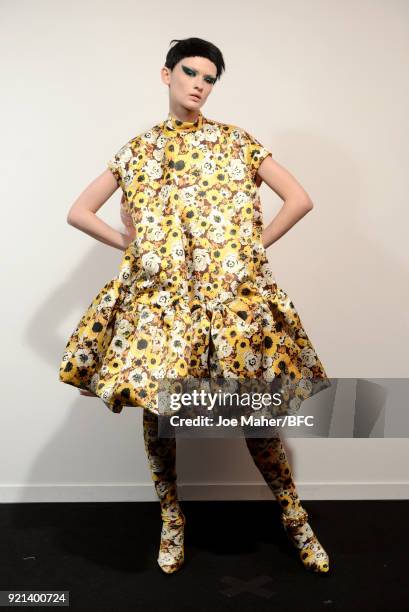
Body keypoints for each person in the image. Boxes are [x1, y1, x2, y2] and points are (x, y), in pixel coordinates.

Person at [58, 37, 331, 575]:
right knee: (161, 414)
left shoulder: (237, 143)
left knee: (253, 411)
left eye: (210, 78)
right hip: (165, 306)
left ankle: (296, 518)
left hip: (230, 303)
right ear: (166, 75)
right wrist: (134, 246)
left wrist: (250, 250)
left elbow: (299, 199)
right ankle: (172, 518)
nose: (200, 85)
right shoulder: (137, 150)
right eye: (191, 73)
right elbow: (79, 211)